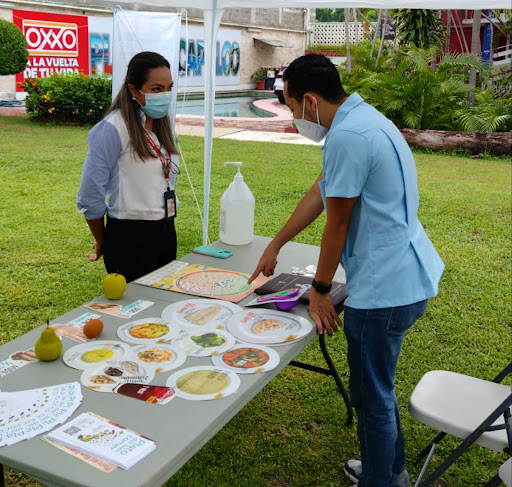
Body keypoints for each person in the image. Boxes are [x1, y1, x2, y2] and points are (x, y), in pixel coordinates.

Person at [249, 54, 444, 487]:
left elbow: (337, 224)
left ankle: (381, 480)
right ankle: (389, 470)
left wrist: (319, 289)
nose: (295, 116)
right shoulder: (363, 119)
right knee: (379, 385)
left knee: (372, 395)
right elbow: (322, 190)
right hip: (404, 273)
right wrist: (276, 243)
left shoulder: (348, 137)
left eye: (293, 107)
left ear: (311, 100)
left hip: (384, 289)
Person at [77, 51, 179, 283]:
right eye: (156, 89)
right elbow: (89, 195)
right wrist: (102, 238)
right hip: (129, 238)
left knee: (162, 307)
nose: (165, 95)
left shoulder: (162, 126)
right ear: (133, 90)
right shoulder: (112, 129)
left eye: (169, 87)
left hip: (166, 231)